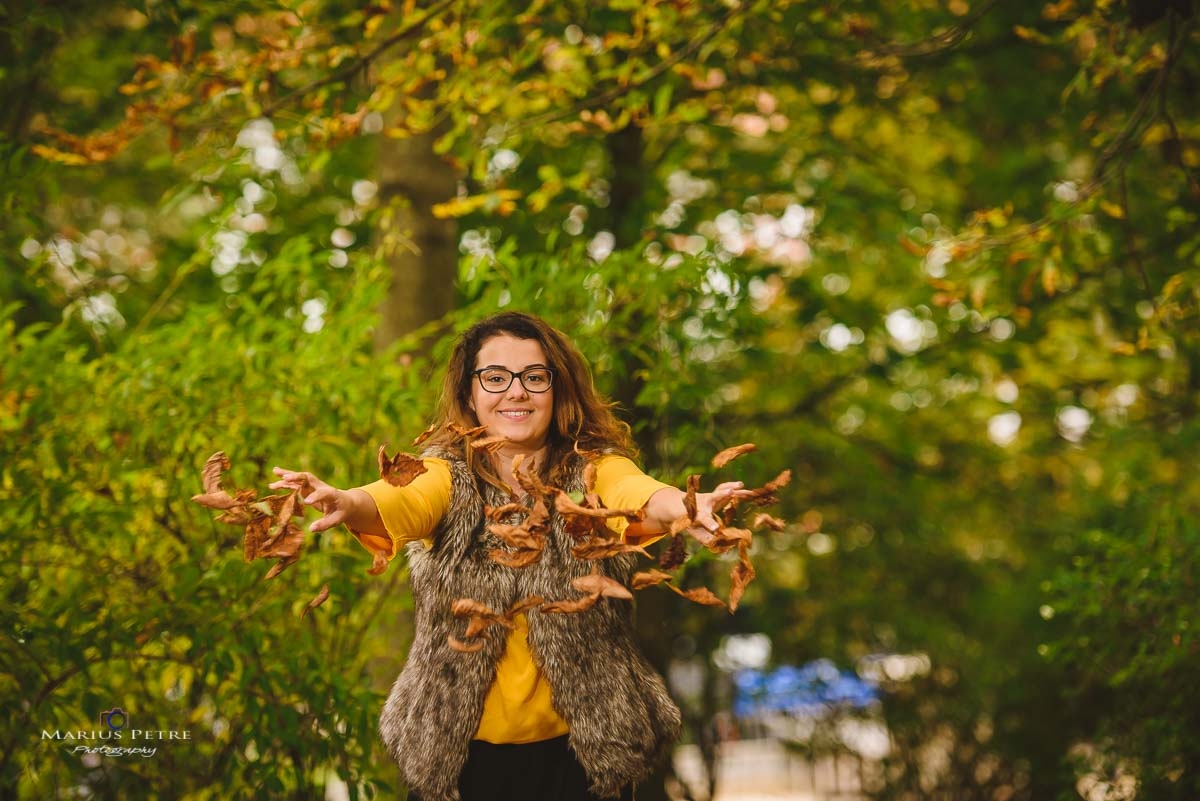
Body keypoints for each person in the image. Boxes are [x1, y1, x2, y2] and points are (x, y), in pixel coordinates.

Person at [270, 311, 749, 801]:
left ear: (557, 390)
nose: (515, 392)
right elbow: (401, 497)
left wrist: (685, 507)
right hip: (458, 762)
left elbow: (635, 493)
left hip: (583, 762)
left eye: (534, 377)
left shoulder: (594, 471)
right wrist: (349, 503)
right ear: (470, 394)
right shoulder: (445, 476)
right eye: (495, 378)